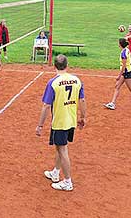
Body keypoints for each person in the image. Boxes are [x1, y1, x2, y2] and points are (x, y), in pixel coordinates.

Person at [36, 54, 86, 191]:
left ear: (54, 66)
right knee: (60, 146)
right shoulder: (76, 80)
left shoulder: (53, 83)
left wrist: (40, 125)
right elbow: (82, 100)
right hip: (71, 119)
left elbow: (46, 106)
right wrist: (83, 117)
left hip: (59, 121)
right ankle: (56, 172)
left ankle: (68, 181)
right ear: (67, 65)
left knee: (62, 149)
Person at [104, 38, 131, 112]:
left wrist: (119, 76)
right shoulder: (126, 50)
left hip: (127, 73)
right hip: (126, 72)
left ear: (120, 44)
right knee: (117, 86)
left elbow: (124, 66)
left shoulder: (123, 53)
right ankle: (112, 103)